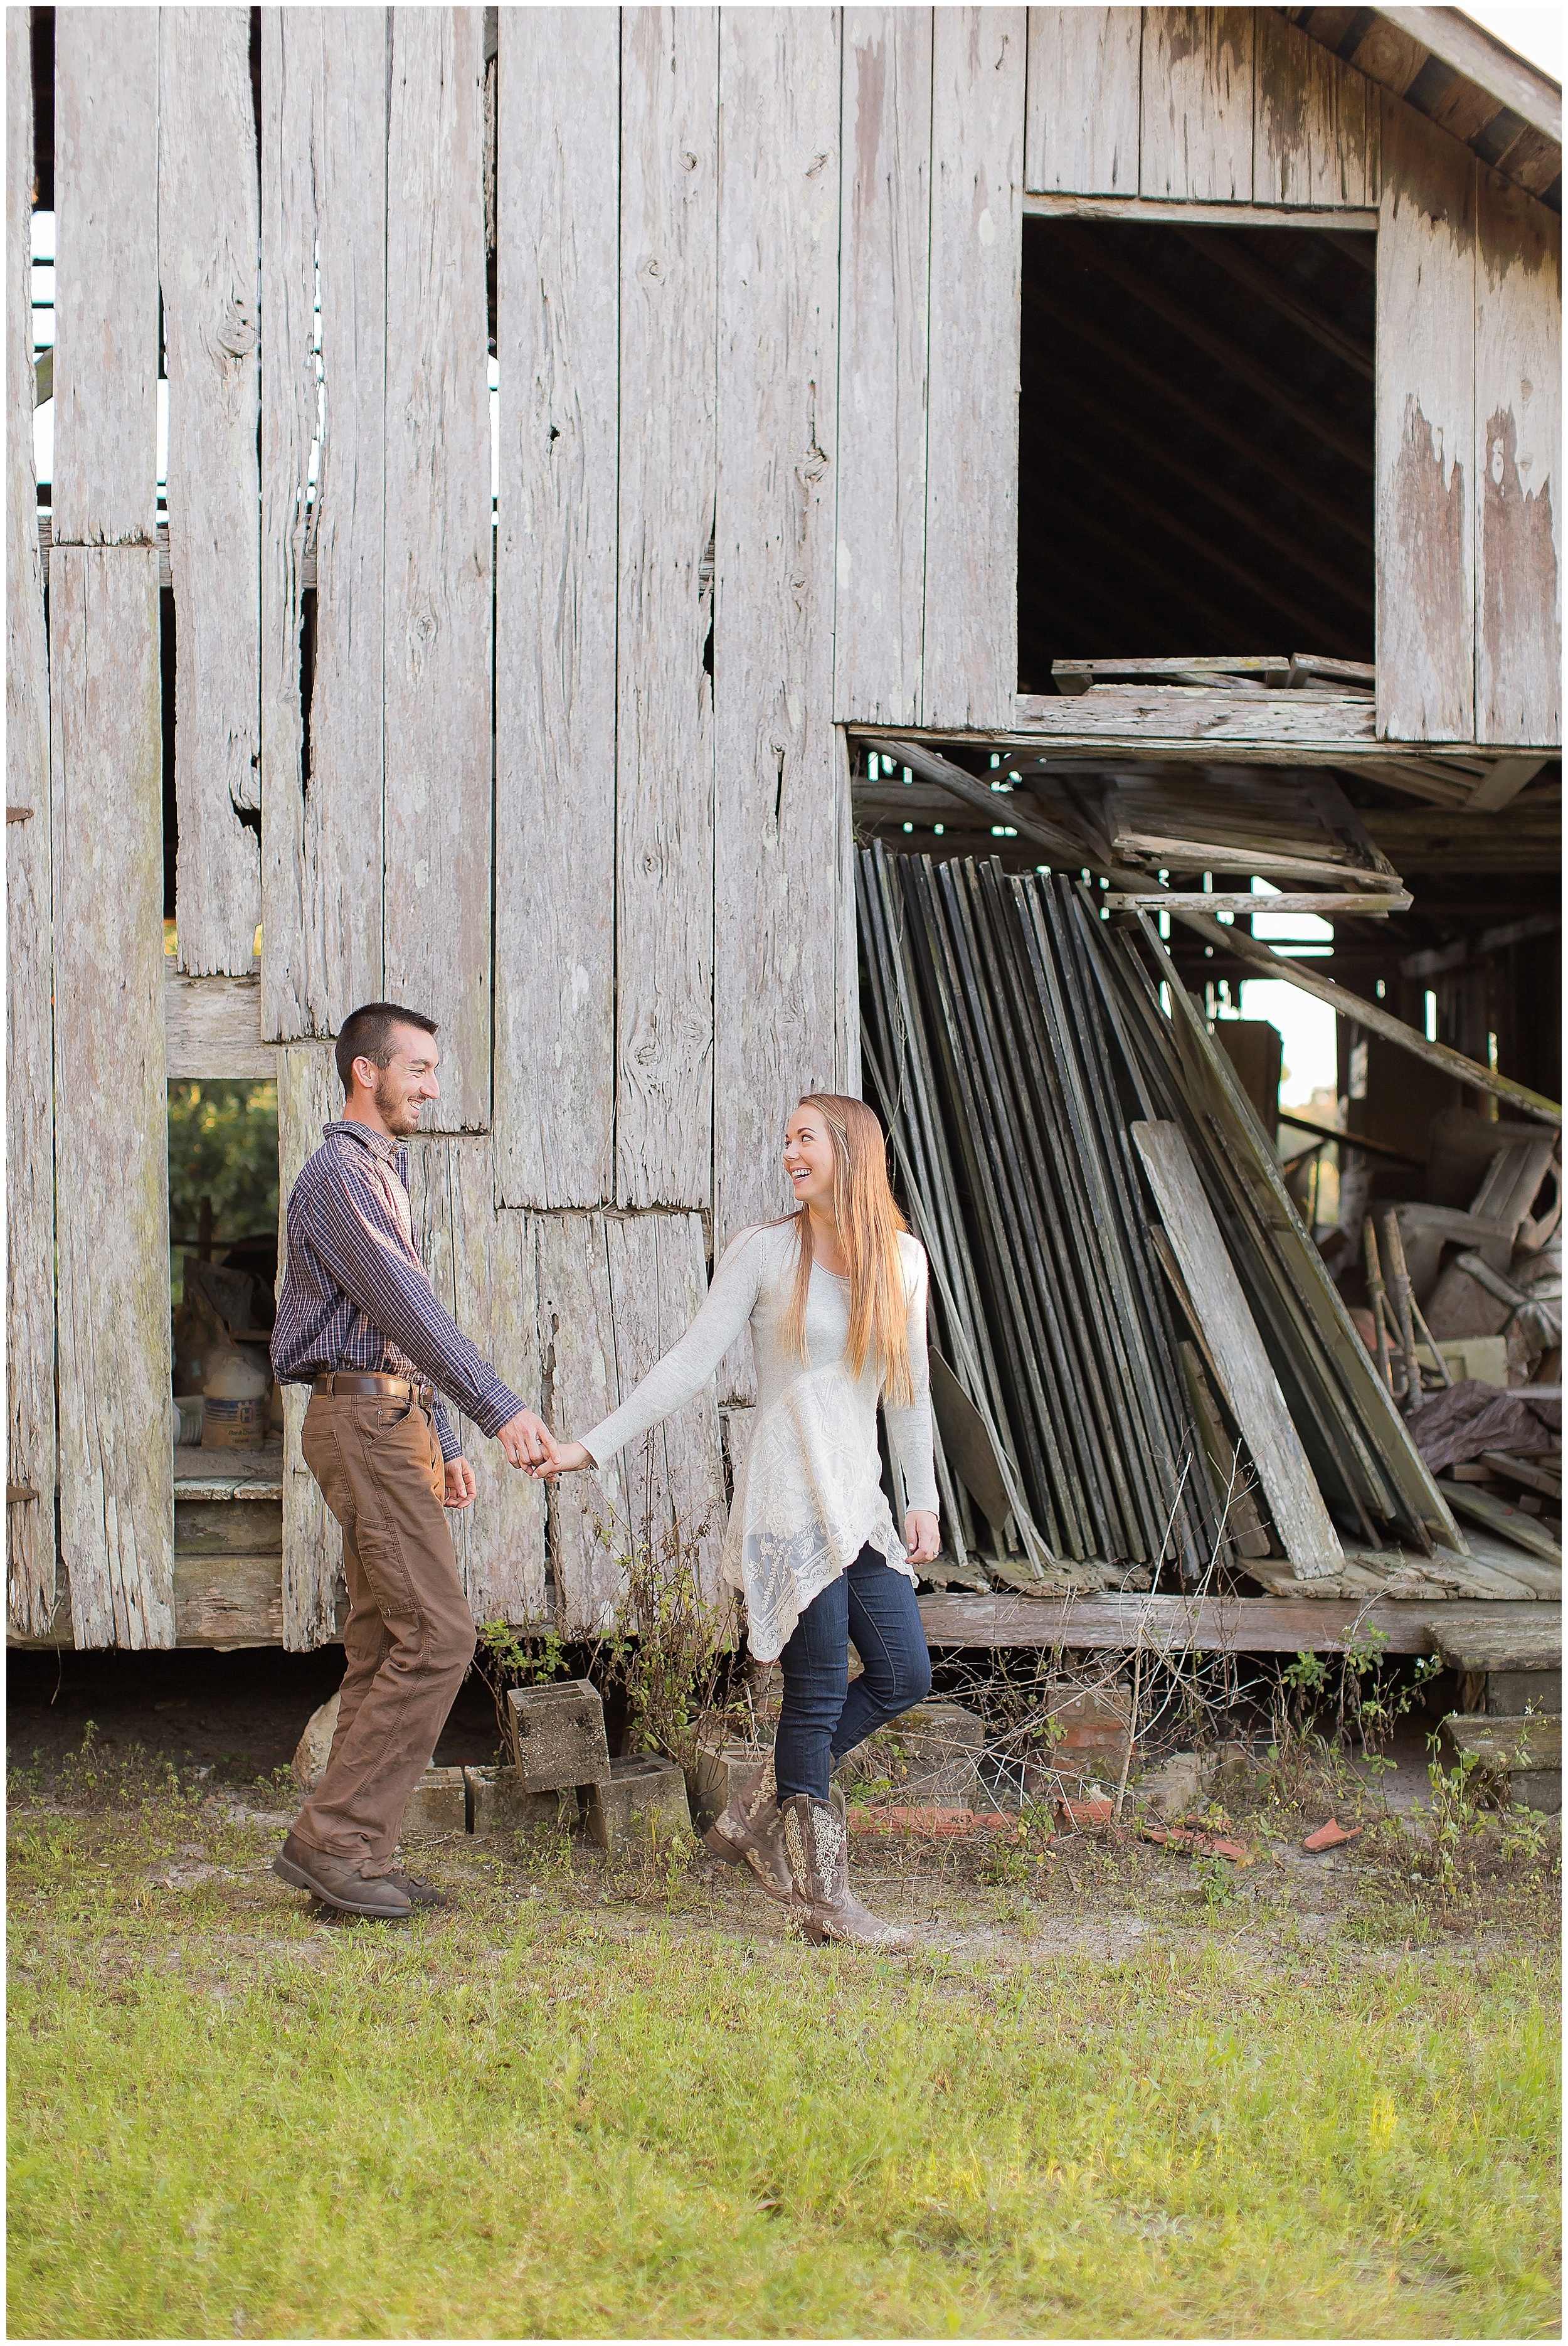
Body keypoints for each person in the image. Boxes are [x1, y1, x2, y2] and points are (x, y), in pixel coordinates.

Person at [540, 1092, 938, 1950]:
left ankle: (757, 1813)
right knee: (820, 1690)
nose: (789, 1152)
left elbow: (909, 1394)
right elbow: (689, 1363)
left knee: (906, 1672)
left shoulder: (902, 1260)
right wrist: (591, 1446)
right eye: (785, 1138)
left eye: (806, 1138)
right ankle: (826, 1904)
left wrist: (922, 1497)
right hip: (788, 1501)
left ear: (850, 1150)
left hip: (856, 1501)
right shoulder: (764, 1253)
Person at [269, 1002, 559, 1920]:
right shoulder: (340, 1177)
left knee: (386, 1640)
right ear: (367, 1072)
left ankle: (348, 1851)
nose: (434, 1088)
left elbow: (392, 1327)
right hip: (360, 1426)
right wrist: (497, 1408)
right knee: (438, 1636)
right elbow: (402, 1307)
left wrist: (440, 1438)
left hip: (388, 1422)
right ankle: (334, 1845)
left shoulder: (379, 1177)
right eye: (420, 1069)